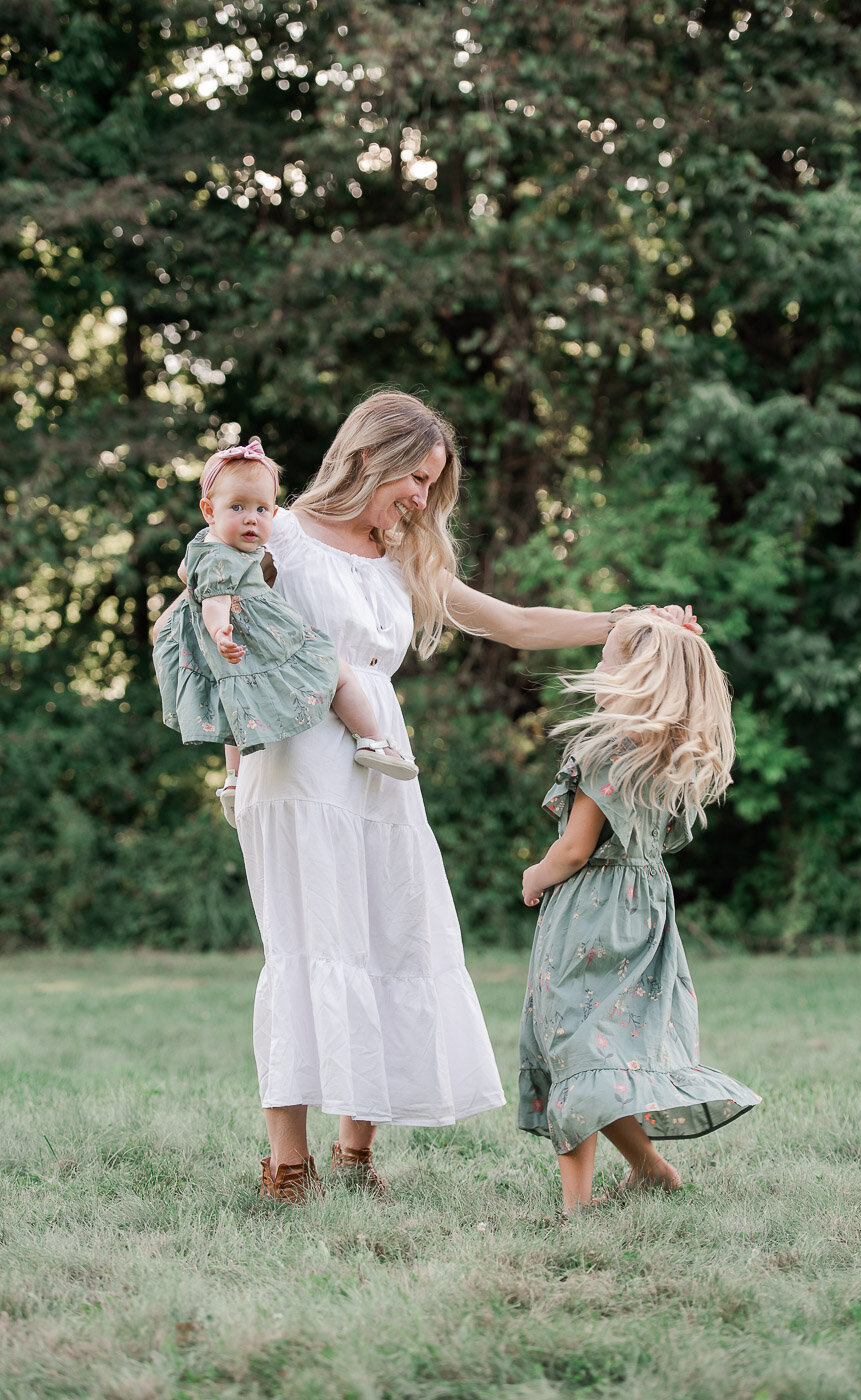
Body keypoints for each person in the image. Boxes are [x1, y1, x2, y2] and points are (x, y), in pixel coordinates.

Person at [154, 389, 628, 1205]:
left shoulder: (404, 556)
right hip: (296, 762)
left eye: (431, 484)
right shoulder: (279, 533)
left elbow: (512, 623)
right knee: (307, 946)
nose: (421, 496)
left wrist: (623, 622)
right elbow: (197, 612)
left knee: (388, 938)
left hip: (382, 763)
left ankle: (356, 1153)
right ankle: (288, 1165)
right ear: (369, 456)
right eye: (415, 477)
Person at [518, 606, 761, 1217]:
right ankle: (652, 1169)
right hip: (645, 909)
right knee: (604, 1048)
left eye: (606, 660)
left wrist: (535, 875)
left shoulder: (603, 748)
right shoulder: (667, 753)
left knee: (575, 1047)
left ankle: (576, 1206)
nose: (597, 670)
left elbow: (575, 849)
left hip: (590, 910)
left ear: (637, 677)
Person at [153, 439, 417, 827]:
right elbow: (213, 600)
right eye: (237, 507)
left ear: (274, 513)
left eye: (261, 509)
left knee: (237, 704)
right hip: (265, 636)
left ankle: (233, 780)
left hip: (242, 644)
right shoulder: (221, 558)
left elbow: (186, 575)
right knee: (335, 670)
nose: (251, 519)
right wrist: (220, 631)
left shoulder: (207, 547)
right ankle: (373, 740)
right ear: (209, 511)